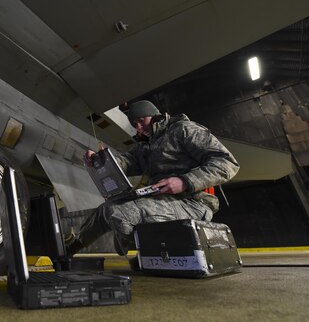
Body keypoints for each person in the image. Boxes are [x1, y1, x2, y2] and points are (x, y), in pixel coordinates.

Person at [66, 100, 240, 256]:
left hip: (192, 202)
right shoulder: (147, 145)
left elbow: (227, 163)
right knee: (105, 210)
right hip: (161, 200)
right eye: (135, 124)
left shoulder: (185, 130)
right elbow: (126, 161)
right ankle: (70, 249)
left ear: (154, 115)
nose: (139, 128)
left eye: (141, 121)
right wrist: (99, 160)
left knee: (120, 213)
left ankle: (155, 251)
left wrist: (185, 181)